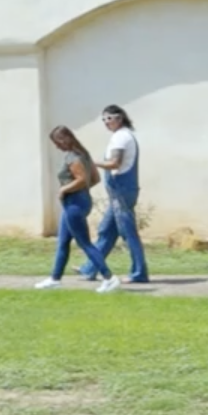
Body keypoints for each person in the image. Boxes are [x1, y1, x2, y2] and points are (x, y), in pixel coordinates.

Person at [36, 125, 111, 289]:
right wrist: (81, 191)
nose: (57, 146)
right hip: (79, 201)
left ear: (66, 139)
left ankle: (109, 278)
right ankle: (55, 279)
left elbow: (82, 179)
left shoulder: (73, 157)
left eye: (58, 142)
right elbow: (95, 178)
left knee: (85, 243)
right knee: (63, 242)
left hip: (74, 204)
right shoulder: (84, 154)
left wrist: (65, 189)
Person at [93, 104, 148, 290]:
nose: (107, 122)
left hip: (121, 190)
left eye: (110, 118)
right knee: (106, 229)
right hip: (119, 191)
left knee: (127, 231)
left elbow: (115, 163)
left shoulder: (121, 137)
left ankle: (139, 273)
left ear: (120, 118)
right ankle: (90, 267)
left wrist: (91, 163)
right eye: (104, 119)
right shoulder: (120, 136)